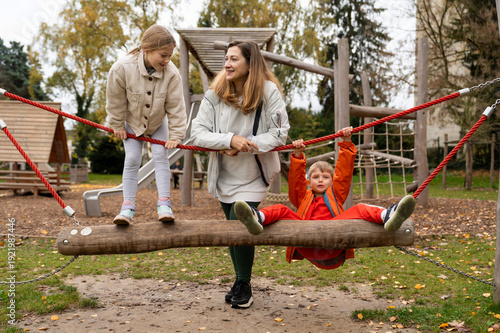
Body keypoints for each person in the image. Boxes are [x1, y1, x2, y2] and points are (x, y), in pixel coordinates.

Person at [190, 40, 290, 309]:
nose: (227, 64)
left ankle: (244, 283)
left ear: (250, 63)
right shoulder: (215, 93)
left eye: (234, 59)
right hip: (224, 174)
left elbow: (280, 133)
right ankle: (238, 280)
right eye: (226, 58)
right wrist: (228, 139)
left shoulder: (268, 91)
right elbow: (197, 133)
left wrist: (245, 144)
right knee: (233, 231)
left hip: (254, 174)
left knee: (239, 225)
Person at [234, 127, 417, 270]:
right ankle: (257, 219)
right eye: (316, 177)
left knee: (360, 207)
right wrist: (297, 156)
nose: (320, 180)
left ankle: (389, 215)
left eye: (325, 177)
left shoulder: (335, 195)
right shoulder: (303, 197)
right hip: (306, 242)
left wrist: (346, 142)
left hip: (334, 241)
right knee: (282, 209)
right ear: (309, 182)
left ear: (331, 180)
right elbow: (296, 183)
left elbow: (343, 174)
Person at [106, 24, 187, 225]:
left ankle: (164, 204)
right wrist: (117, 124)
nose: (167, 60)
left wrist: (176, 135)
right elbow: (115, 100)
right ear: (146, 49)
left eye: (170, 56)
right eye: (163, 55)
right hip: (132, 122)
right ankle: (127, 207)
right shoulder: (122, 68)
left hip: (158, 122)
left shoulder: (171, 74)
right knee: (132, 159)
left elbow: (176, 106)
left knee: (160, 156)